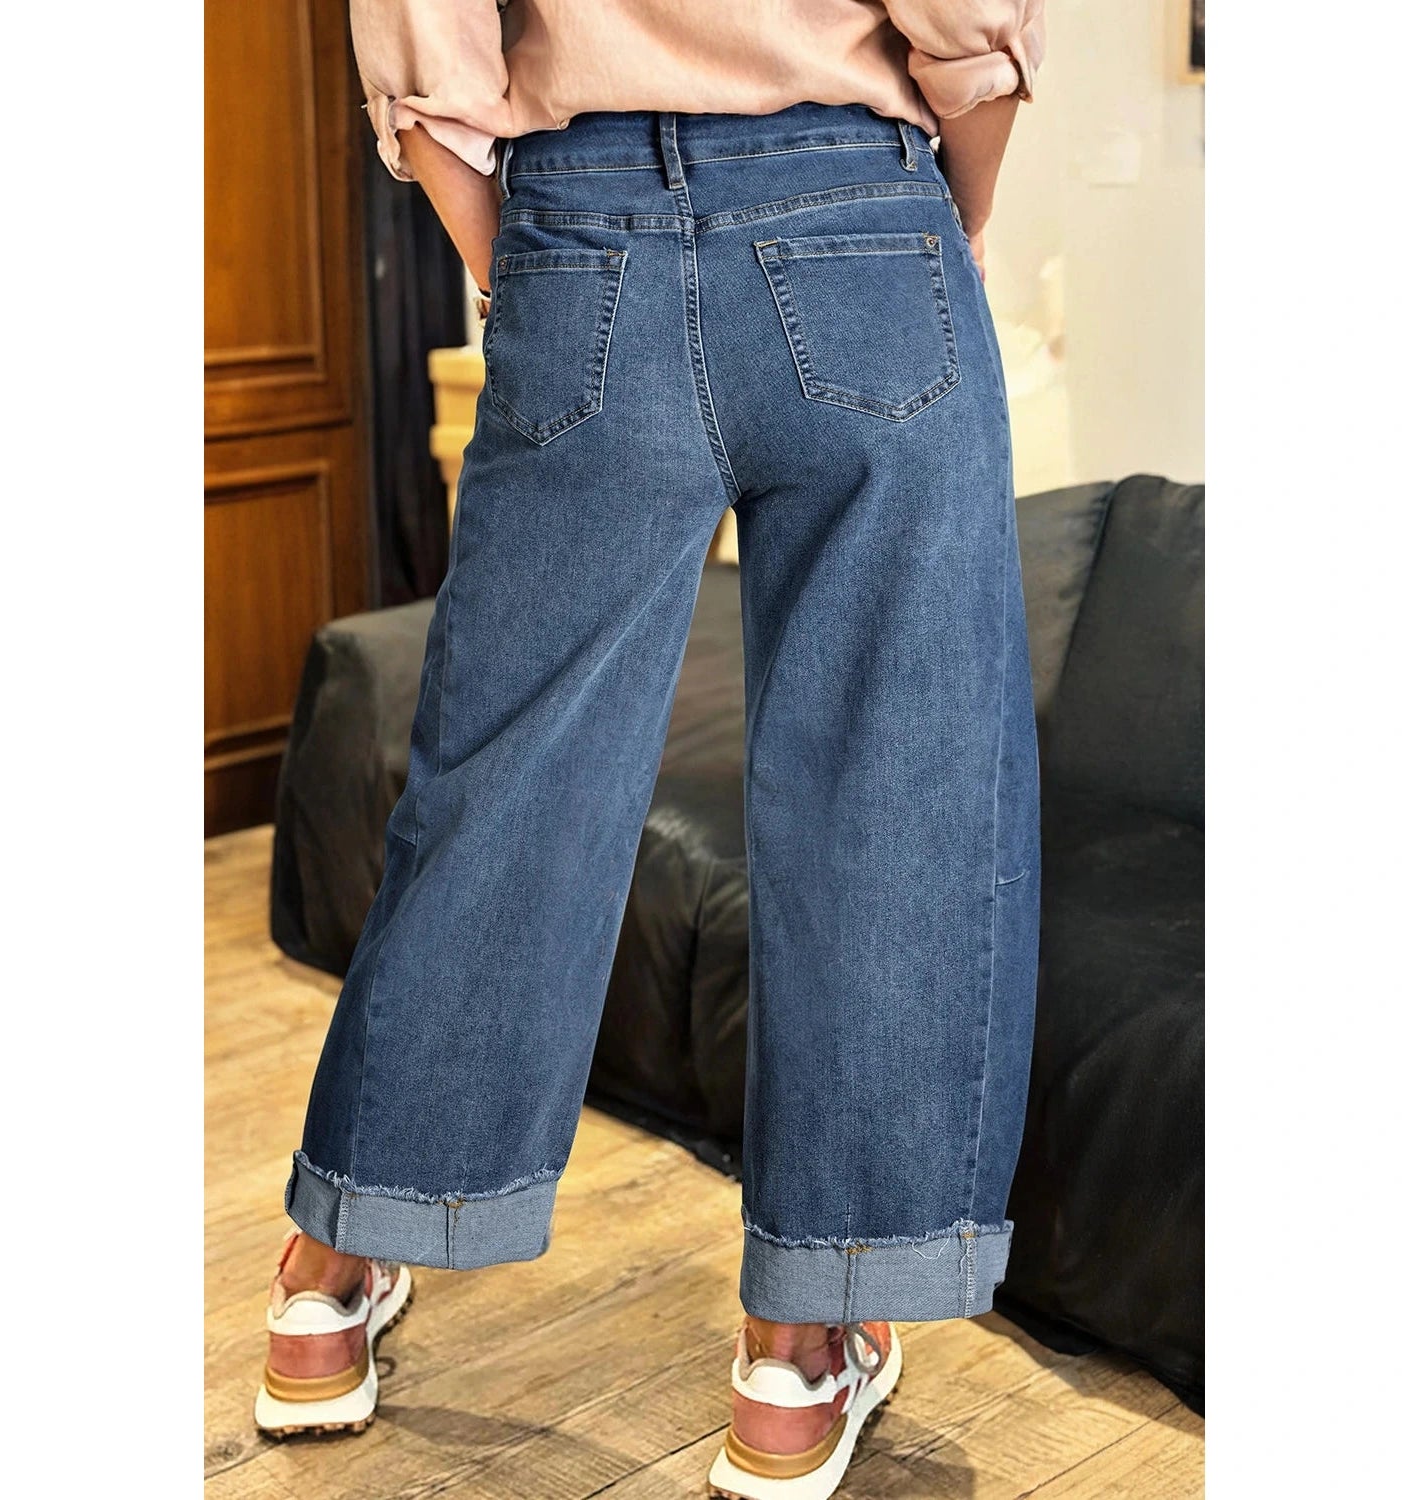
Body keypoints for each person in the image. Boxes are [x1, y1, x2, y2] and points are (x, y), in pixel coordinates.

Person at [254, 4, 1046, 1496]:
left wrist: (517, 256)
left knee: (502, 782)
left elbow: (422, 26)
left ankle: (329, 1278)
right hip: (864, 216)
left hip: (582, 223)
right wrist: (955, 210)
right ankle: (800, 1356)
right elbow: (970, 23)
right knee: (892, 786)